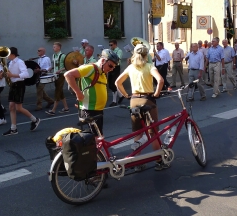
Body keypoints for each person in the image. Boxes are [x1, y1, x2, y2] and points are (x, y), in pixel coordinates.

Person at [115, 43, 168, 171]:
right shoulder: (150, 66)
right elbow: (160, 80)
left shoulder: (130, 67)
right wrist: (156, 94)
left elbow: (117, 82)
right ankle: (159, 161)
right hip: (147, 100)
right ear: (146, 55)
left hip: (134, 100)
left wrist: (126, 95)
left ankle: (137, 163)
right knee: (153, 132)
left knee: (137, 133)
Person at [65, 49, 119, 135]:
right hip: (89, 110)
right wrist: (78, 93)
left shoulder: (102, 72)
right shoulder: (91, 68)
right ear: (103, 60)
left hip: (97, 110)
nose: (112, 69)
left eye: (113, 67)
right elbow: (68, 74)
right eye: (110, 66)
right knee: (96, 139)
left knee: (98, 138)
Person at [2, 47, 41, 136]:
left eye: (8, 54)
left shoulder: (20, 62)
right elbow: (10, 74)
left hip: (19, 85)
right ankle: (13, 128)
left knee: (18, 108)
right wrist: (5, 74)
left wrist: (12, 75)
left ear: (12, 54)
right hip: (13, 85)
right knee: (11, 107)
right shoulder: (10, 63)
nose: (6, 56)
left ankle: (35, 120)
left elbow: (26, 74)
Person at [46, 42, 69, 115]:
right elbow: (55, 65)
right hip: (55, 75)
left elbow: (67, 65)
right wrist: (51, 68)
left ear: (59, 47)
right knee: (60, 91)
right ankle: (66, 108)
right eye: (53, 47)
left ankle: (53, 110)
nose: (53, 48)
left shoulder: (63, 56)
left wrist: (60, 70)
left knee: (57, 91)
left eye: (55, 47)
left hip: (61, 75)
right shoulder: (54, 55)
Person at [108, 39, 124, 106]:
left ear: (115, 44)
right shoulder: (111, 50)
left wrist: (111, 56)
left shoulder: (119, 51)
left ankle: (114, 101)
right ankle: (121, 96)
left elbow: (118, 59)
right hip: (110, 67)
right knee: (110, 84)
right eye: (109, 45)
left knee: (113, 83)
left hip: (116, 67)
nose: (110, 46)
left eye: (111, 45)